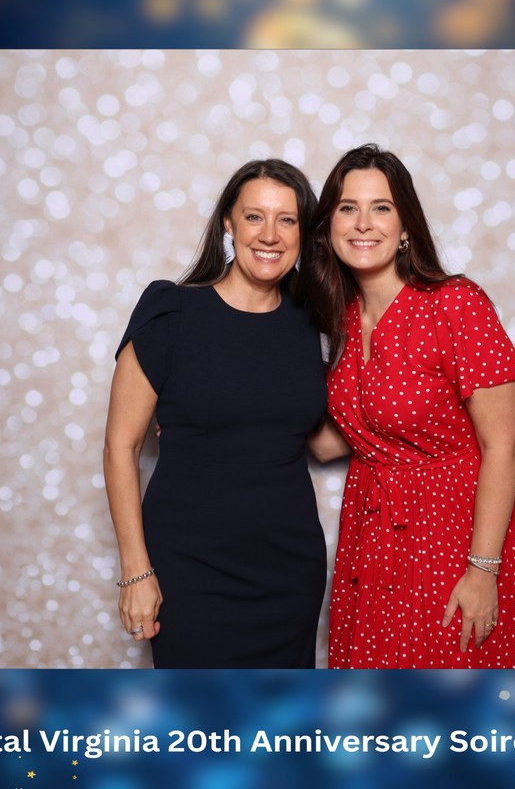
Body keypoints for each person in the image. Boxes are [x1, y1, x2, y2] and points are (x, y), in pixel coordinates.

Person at [302, 144, 515, 668]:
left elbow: (503, 443)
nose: (363, 223)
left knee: (454, 708)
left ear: (405, 224)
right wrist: (216, 411)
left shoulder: (455, 303)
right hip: (370, 537)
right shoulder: (338, 318)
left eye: (381, 207)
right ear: (327, 227)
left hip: (453, 534)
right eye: (347, 207)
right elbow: (325, 445)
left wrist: (483, 570)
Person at [103, 159, 328, 668]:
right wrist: (137, 572)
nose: (269, 234)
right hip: (190, 567)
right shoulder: (171, 312)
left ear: (303, 232)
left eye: (287, 220)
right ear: (228, 222)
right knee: (199, 732)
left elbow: (318, 437)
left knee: (282, 733)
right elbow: (120, 446)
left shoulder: (309, 317)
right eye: (254, 217)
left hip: (289, 570)